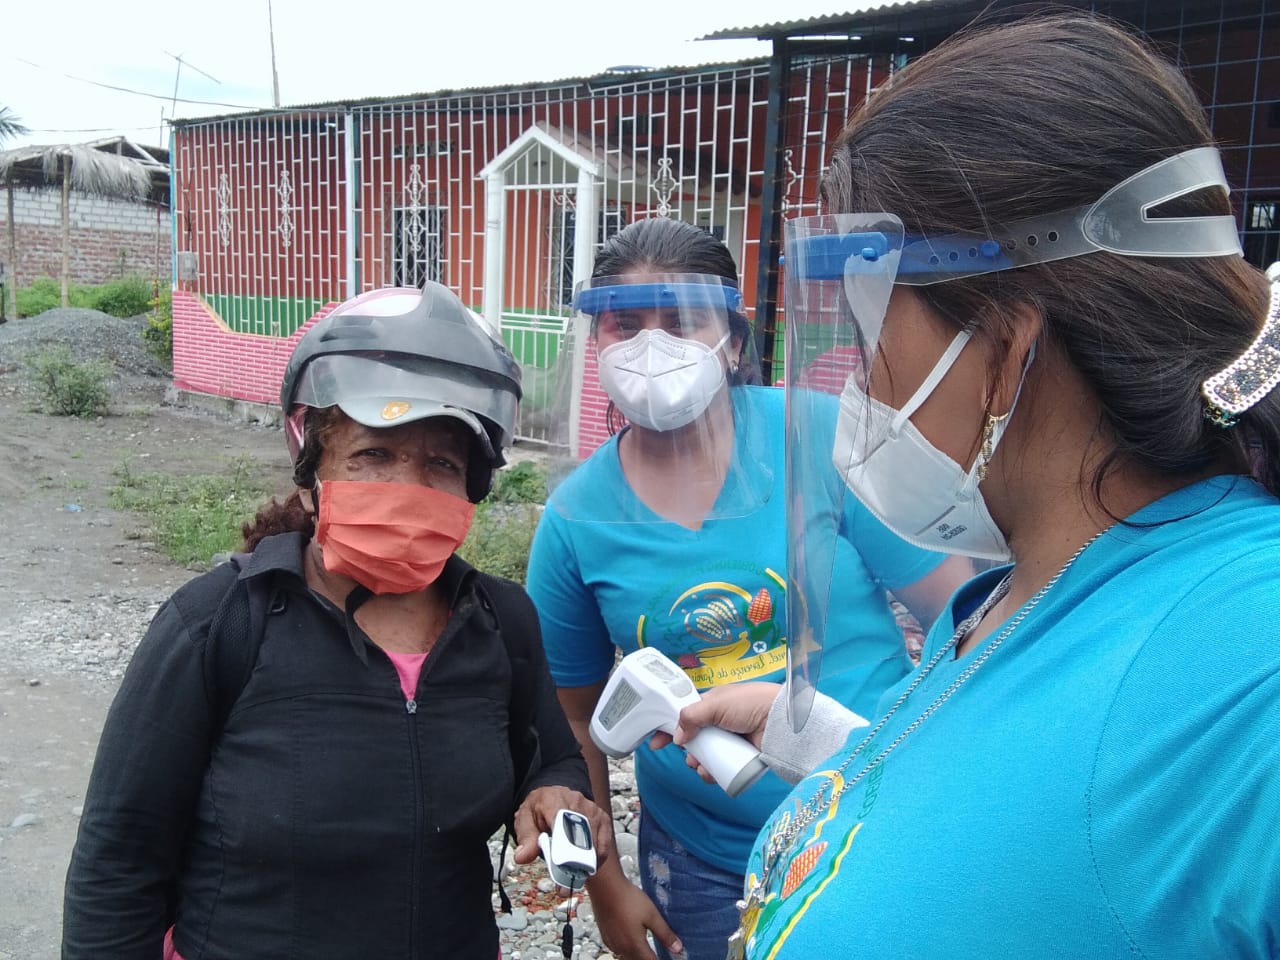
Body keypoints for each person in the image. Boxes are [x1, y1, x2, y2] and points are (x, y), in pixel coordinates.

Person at [663, 14, 1280, 960]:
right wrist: (845, 750)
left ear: (1002, 344)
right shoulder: (1038, 581)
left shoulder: (1251, 658)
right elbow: (1049, 825)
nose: (857, 379)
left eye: (868, 327)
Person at [62, 283, 610, 960]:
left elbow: (551, 754)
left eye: (441, 462)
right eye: (373, 454)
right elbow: (117, 863)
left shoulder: (502, 620)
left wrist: (557, 791)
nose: (408, 486)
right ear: (310, 476)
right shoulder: (216, 624)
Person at [524, 217, 973, 960]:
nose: (651, 347)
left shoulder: (821, 437)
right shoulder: (576, 519)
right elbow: (573, 719)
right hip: (698, 859)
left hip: (867, 822)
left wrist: (945, 796)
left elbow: (966, 622)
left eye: (682, 322)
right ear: (595, 342)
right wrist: (607, 888)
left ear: (733, 340)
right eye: (624, 325)